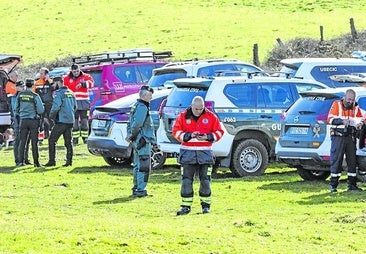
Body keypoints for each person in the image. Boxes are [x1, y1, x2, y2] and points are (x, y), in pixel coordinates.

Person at [172, 96, 224, 215]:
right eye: (196, 109)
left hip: (205, 154)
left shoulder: (211, 116)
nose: (199, 111)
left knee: (205, 180)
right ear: (192, 106)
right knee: (186, 180)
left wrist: (208, 137)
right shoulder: (183, 116)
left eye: (201, 109)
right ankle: (185, 206)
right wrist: (188, 135)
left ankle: (206, 206)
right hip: (187, 153)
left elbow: (220, 131)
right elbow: (176, 131)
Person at [328, 89, 364, 192]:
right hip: (338, 137)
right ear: (345, 97)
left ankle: (352, 185)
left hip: (350, 137)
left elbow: (360, 118)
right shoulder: (336, 105)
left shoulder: (355, 107)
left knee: (352, 161)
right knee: (336, 161)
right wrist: (342, 121)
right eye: (349, 99)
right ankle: (333, 185)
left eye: (352, 100)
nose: (350, 102)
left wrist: (359, 124)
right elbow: (330, 119)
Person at [125, 85, 156, 197]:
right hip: (142, 140)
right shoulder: (142, 107)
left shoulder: (135, 106)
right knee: (143, 165)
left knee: (137, 165)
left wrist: (130, 135)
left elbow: (130, 123)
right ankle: (140, 189)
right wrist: (133, 135)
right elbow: (137, 124)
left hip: (137, 140)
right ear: (144, 95)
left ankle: (136, 188)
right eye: (150, 96)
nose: (151, 98)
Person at [44, 77, 77, 167]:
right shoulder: (71, 93)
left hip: (61, 121)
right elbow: (75, 107)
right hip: (70, 121)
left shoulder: (59, 94)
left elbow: (56, 107)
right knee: (68, 142)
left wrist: (51, 116)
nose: (53, 86)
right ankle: (69, 162)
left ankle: (52, 161)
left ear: (58, 82)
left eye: (54, 84)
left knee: (52, 140)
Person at [14, 79, 45, 167]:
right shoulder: (35, 96)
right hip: (33, 121)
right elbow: (41, 110)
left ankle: (20, 161)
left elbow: (16, 108)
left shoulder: (20, 95)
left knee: (22, 141)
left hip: (23, 120)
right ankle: (36, 162)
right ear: (33, 85)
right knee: (34, 142)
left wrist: (22, 114)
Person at [63, 63, 94, 145]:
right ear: (71, 71)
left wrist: (83, 84)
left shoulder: (86, 76)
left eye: (77, 71)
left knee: (84, 121)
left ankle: (85, 138)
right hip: (72, 102)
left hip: (84, 102)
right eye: (74, 71)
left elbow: (92, 84)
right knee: (74, 122)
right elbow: (64, 89)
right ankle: (75, 139)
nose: (76, 73)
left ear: (79, 69)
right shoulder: (66, 78)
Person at [34, 67, 55, 139]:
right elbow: (34, 92)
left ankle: (53, 136)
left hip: (49, 103)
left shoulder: (51, 81)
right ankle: (40, 137)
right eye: (40, 73)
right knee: (40, 120)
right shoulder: (37, 83)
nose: (40, 75)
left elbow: (54, 88)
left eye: (42, 73)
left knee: (51, 119)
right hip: (40, 104)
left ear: (46, 74)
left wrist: (48, 80)